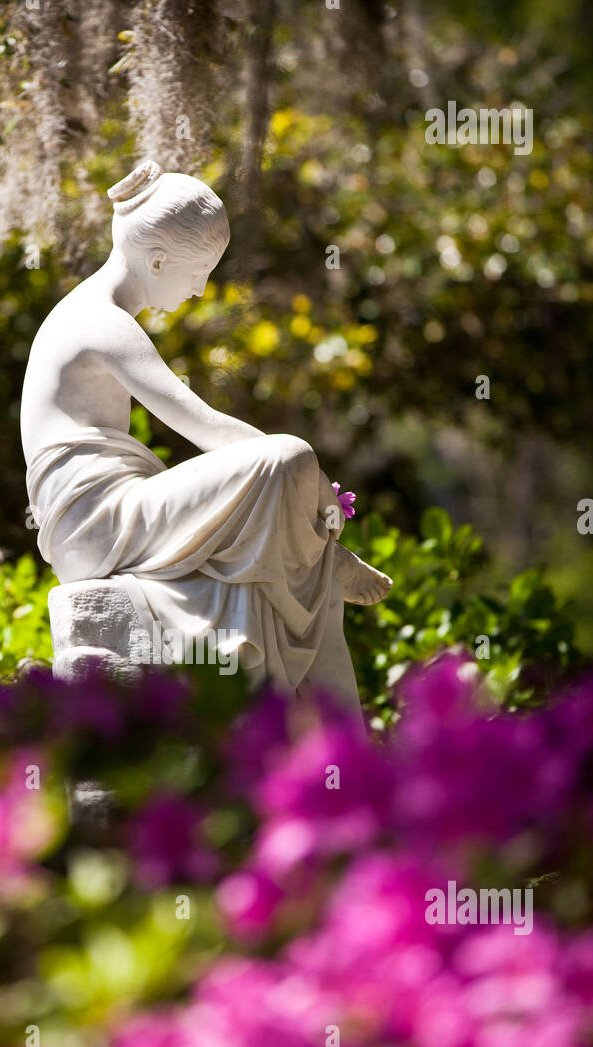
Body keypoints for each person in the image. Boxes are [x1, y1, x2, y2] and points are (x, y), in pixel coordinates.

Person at [21, 159, 390, 707]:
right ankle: (315, 550)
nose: (198, 291)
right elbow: (204, 427)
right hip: (97, 526)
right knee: (288, 456)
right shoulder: (100, 322)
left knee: (305, 562)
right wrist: (312, 479)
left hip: (109, 518)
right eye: (198, 274)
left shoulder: (96, 315)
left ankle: (339, 750)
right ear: (158, 259)